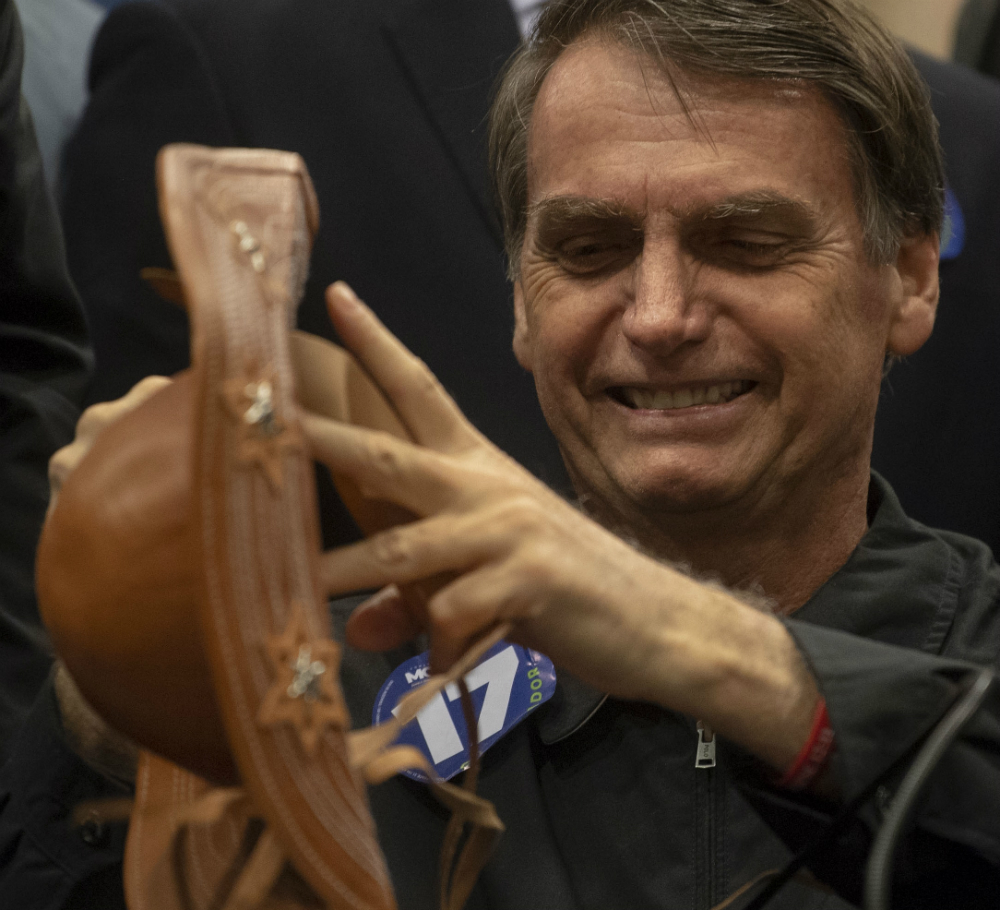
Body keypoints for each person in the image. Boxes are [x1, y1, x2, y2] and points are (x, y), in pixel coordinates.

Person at [9, 1, 1000, 908]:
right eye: (588, 251)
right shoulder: (341, 700)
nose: (657, 316)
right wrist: (110, 708)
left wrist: (697, 647)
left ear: (909, 278)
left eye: (743, 241)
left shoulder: (976, 668)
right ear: (522, 302)